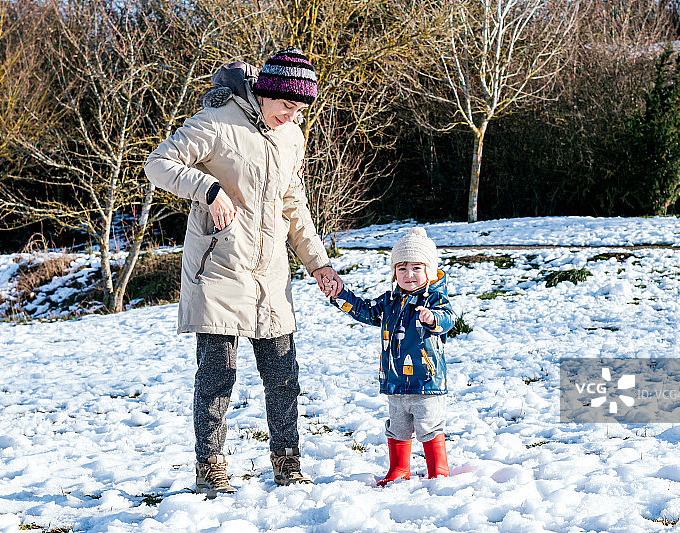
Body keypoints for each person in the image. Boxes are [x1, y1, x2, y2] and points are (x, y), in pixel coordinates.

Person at [144, 48, 343, 497]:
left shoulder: (292, 137)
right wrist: (208, 187)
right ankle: (210, 465)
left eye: (299, 110)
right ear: (266, 91)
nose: (291, 116)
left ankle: (288, 463)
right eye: (286, 106)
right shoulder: (217, 122)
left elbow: (293, 205)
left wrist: (318, 261)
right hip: (218, 267)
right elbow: (158, 164)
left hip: (270, 272)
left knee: (283, 375)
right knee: (217, 375)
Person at [329, 227, 457, 486]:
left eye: (416, 268)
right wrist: (340, 295)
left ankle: (438, 470)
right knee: (397, 427)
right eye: (402, 269)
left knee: (429, 426)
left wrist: (432, 319)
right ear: (394, 272)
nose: (409, 275)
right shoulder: (389, 302)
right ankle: (399, 469)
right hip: (395, 382)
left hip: (427, 382)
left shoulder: (435, 300)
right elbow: (364, 310)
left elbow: (449, 319)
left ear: (429, 272)